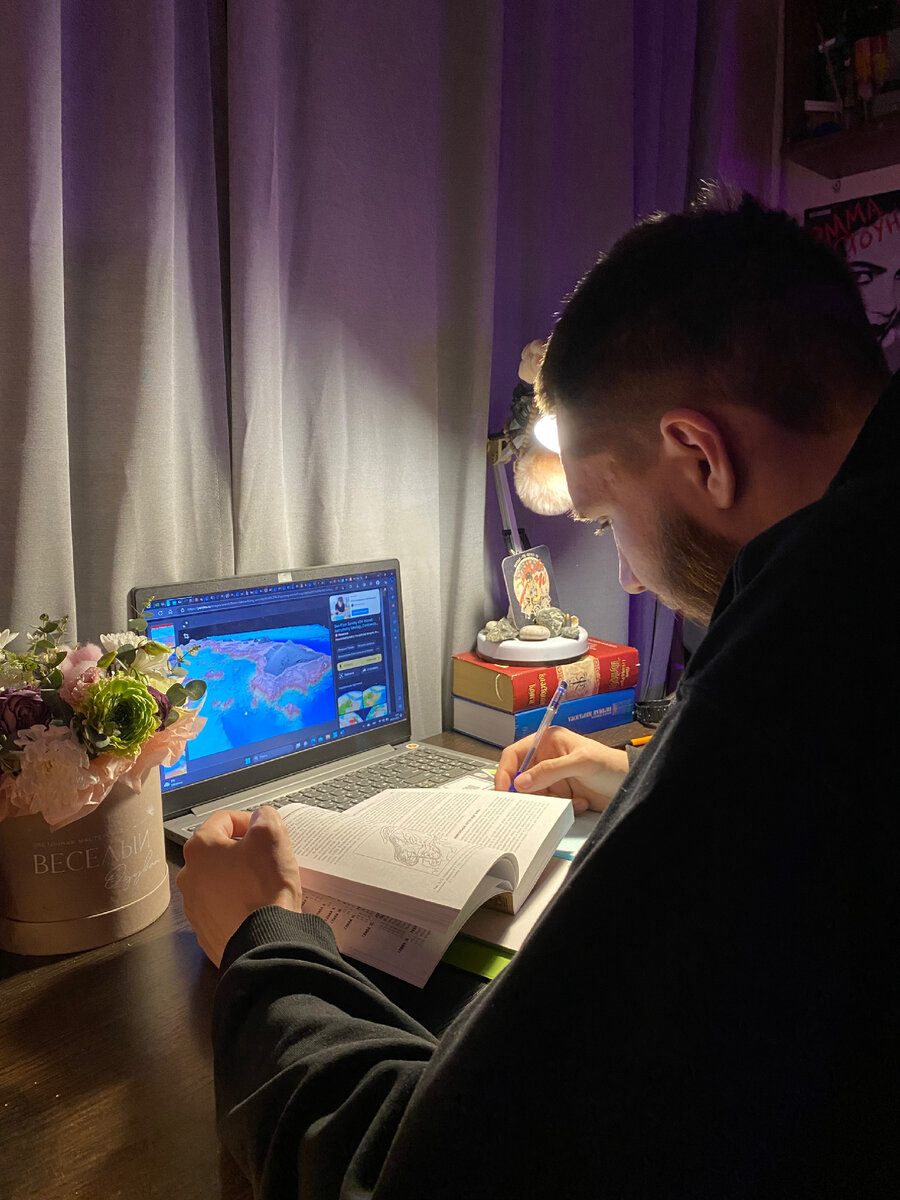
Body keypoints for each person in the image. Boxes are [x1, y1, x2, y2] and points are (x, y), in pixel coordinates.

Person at [177, 188, 900, 1198]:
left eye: (603, 518)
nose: (629, 578)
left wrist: (262, 941)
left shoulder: (814, 626)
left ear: (700, 453)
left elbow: (423, 1178)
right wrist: (646, 777)